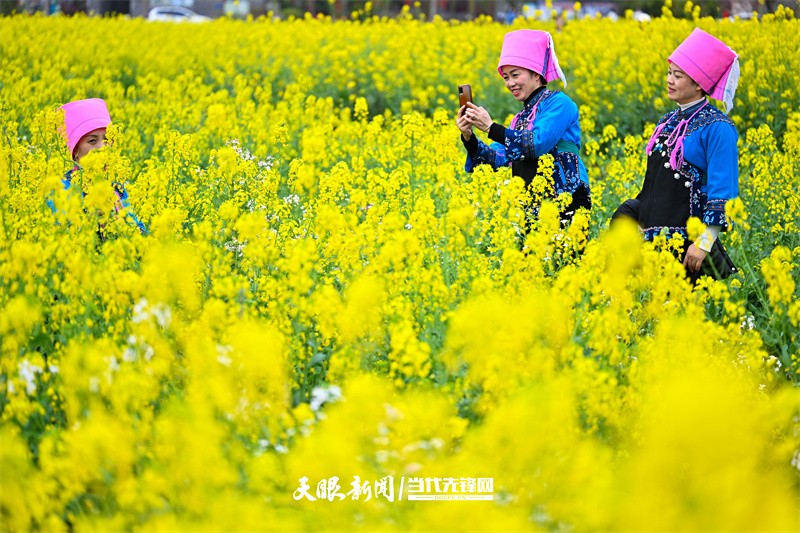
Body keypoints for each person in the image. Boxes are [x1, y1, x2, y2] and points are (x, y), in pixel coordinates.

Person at [611, 28, 739, 280]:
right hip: (652, 241)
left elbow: (722, 191)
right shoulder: (666, 121)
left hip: (688, 246)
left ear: (699, 83)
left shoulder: (718, 127)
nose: (669, 80)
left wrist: (703, 244)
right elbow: (654, 183)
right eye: (669, 73)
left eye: (678, 75)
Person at [457, 29, 591, 227]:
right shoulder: (519, 119)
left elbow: (537, 143)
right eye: (506, 77)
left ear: (536, 74)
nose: (510, 83)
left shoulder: (560, 104)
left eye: (515, 75)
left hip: (566, 199)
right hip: (530, 208)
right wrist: (469, 137)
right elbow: (497, 159)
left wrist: (491, 128)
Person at [55, 98, 147, 235]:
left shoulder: (117, 188)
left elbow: (143, 235)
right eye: (92, 141)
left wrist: (122, 225)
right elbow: (59, 236)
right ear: (75, 151)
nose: (102, 147)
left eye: (107, 140)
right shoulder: (61, 189)